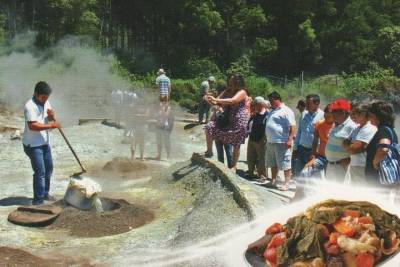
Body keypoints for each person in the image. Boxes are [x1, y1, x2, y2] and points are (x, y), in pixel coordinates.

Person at [22, 81, 60, 205]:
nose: (45, 100)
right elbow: (33, 125)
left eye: (47, 97)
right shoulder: (30, 106)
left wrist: (51, 116)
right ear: (36, 94)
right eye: (43, 97)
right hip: (33, 145)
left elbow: (48, 118)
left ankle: (45, 193)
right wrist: (51, 125)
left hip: (44, 142)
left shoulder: (46, 102)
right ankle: (38, 201)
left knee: (49, 168)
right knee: (40, 172)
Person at [204, 73, 249, 171]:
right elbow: (217, 102)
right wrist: (209, 99)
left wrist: (215, 99)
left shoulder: (242, 91)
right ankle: (209, 151)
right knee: (209, 127)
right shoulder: (227, 91)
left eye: (233, 81)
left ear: (239, 82)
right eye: (230, 80)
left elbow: (233, 100)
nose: (231, 83)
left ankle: (234, 166)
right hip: (227, 119)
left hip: (239, 119)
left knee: (236, 144)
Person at [265, 91, 296, 190]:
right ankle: (273, 181)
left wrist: (290, 139)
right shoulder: (272, 110)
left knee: (285, 163)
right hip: (271, 141)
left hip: (282, 141)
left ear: (276, 99)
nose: (270, 103)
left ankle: (286, 183)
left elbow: (293, 126)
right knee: (273, 162)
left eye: (271, 100)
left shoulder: (286, 110)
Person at [365, 101, 398, 185]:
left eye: (370, 115)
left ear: (376, 116)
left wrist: (375, 163)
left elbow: (384, 149)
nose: (369, 119)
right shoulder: (391, 130)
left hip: (377, 177)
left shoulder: (383, 130)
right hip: (387, 176)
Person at [342, 104, 377, 184]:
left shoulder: (370, 128)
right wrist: (351, 145)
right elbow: (344, 142)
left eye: (355, 114)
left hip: (362, 166)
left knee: (361, 191)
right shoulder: (357, 127)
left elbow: (354, 149)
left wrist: (350, 145)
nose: (352, 117)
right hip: (354, 164)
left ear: (363, 114)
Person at [325, 98, 357, 182]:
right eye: (332, 111)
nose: (332, 114)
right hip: (331, 165)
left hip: (340, 168)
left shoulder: (351, 126)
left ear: (343, 112)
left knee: (339, 193)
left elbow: (357, 147)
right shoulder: (337, 125)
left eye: (334, 111)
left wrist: (350, 159)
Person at [293, 94, 324, 177]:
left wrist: (317, 152)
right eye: (306, 103)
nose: (306, 105)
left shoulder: (323, 116)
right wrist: (295, 148)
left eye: (309, 103)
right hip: (301, 148)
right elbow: (299, 131)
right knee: (298, 173)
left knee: (311, 174)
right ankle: (299, 189)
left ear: (317, 103)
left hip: (313, 151)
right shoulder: (303, 114)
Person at [301, 104, 334, 178]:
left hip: (333, 159)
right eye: (325, 116)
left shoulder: (337, 126)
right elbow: (315, 141)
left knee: (329, 180)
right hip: (321, 157)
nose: (326, 118)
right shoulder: (319, 124)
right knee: (305, 172)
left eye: (329, 116)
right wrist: (313, 157)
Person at [247, 97, 269, 182]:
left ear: (259, 104)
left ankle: (262, 175)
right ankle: (251, 172)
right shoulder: (255, 114)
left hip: (261, 139)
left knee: (262, 158)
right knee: (251, 156)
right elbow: (249, 123)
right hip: (252, 137)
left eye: (255, 105)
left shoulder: (266, 114)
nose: (254, 106)